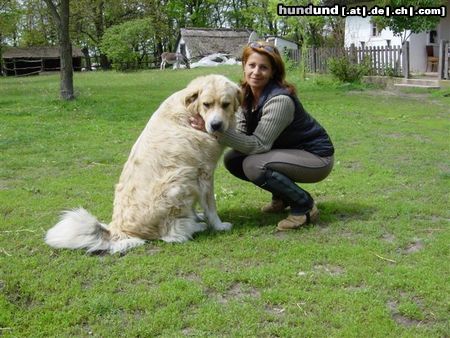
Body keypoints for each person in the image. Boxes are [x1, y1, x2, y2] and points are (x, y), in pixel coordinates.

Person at [190, 41, 334, 231]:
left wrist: (216, 132)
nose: (256, 72)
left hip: (316, 158)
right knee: (233, 159)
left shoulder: (280, 100)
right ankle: (283, 197)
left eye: (263, 67)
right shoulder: (243, 95)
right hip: (287, 152)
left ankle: (304, 205)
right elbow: (240, 135)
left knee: (253, 165)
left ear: (273, 72)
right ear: (244, 66)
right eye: (252, 65)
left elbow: (259, 146)